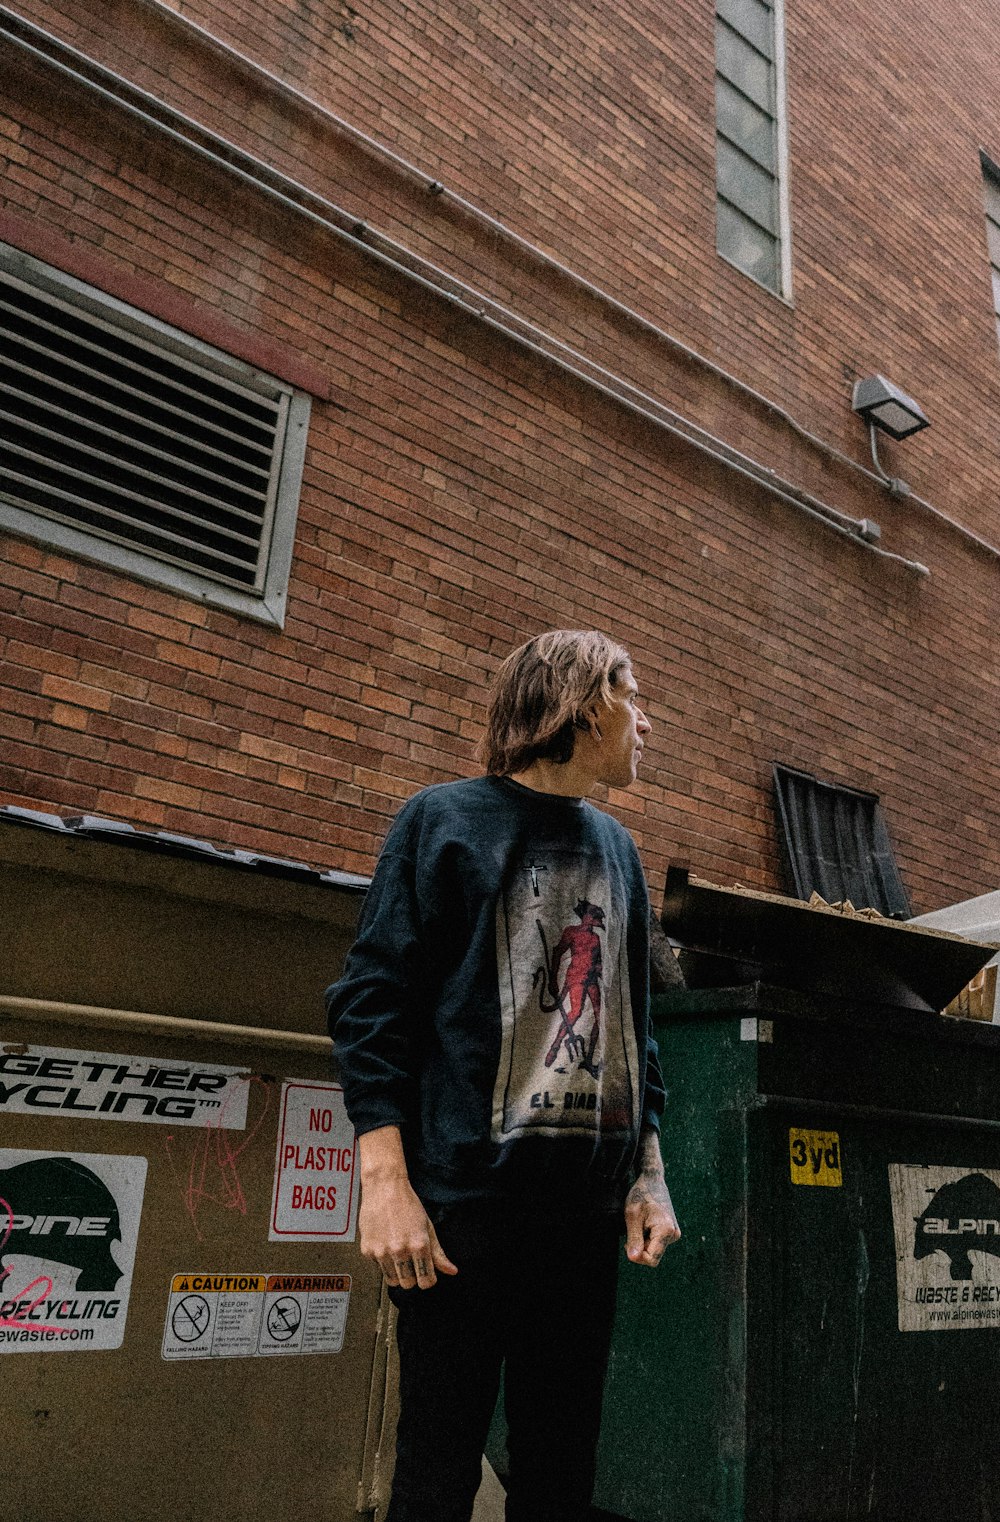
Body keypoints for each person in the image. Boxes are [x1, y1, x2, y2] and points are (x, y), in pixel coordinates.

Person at [327, 629, 680, 1522]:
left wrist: (649, 1176)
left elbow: (637, 1029)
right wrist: (384, 1183)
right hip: (462, 1214)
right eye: (632, 696)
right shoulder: (440, 821)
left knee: (560, 1476)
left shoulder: (622, 851)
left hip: (583, 1218)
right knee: (436, 1471)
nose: (647, 722)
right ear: (581, 702)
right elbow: (371, 1003)